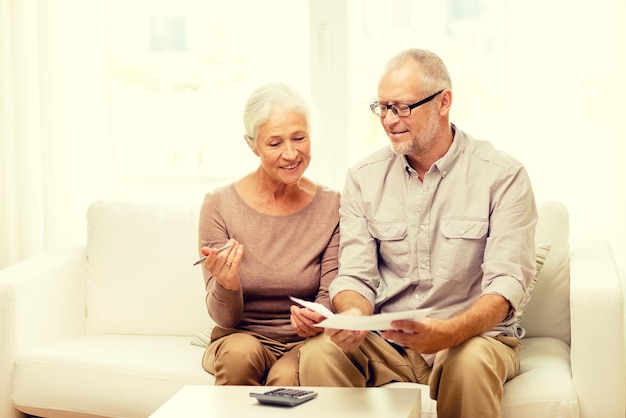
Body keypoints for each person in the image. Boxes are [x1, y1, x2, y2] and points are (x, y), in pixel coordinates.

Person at [298, 48, 538, 418]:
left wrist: (450, 332)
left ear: (444, 102)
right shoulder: (364, 177)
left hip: (470, 339)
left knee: (470, 361)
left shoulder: (502, 175)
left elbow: (506, 285)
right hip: (388, 343)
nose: (389, 120)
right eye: (382, 107)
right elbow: (354, 276)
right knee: (319, 352)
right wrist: (353, 319)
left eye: (402, 107)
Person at [198, 82, 340, 386]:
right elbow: (223, 318)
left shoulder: (332, 206)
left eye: (299, 138)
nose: (291, 153)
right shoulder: (219, 204)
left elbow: (330, 293)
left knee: (287, 378)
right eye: (275, 143)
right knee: (239, 357)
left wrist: (318, 316)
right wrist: (227, 282)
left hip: (304, 342)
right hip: (239, 336)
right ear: (252, 145)